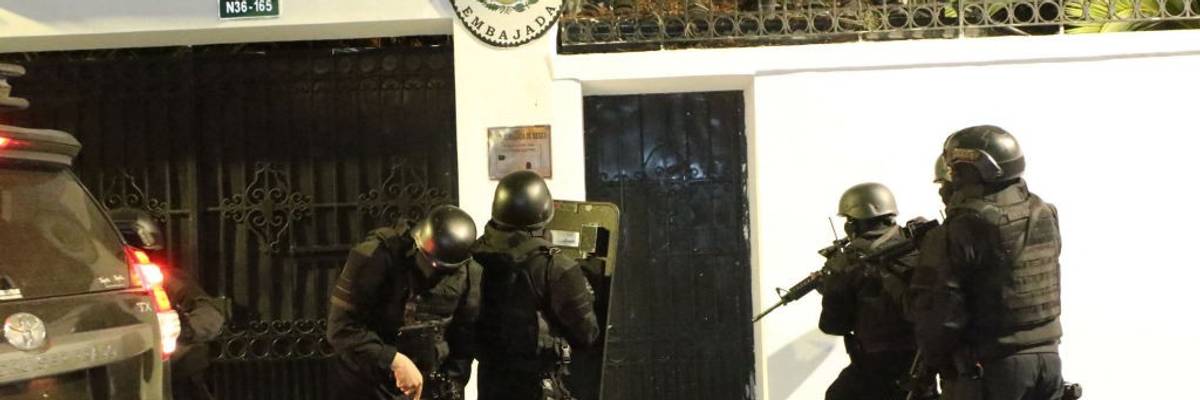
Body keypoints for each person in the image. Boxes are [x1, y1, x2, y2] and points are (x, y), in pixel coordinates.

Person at [907, 125, 1065, 400]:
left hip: (990, 370)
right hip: (1049, 364)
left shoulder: (958, 230)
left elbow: (940, 319)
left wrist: (935, 364)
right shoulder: (1044, 213)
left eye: (955, 169)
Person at [326, 205, 482, 400]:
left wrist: (450, 385)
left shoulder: (469, 274)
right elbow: (340, 329)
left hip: (428, 385)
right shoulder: (377, 254)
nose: (430, 273)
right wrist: (393, 360)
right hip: (368, 383)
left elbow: (463, 342)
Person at [473, 170, 600, 400]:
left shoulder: (476, 254)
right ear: (543, 210)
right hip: (539, 386)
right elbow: (588, 332)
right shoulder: (555, 266)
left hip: (492, 384)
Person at [816, 183, 924, 400]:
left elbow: (833, 325)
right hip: (921, 363)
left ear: (854, 223)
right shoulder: (916, 245)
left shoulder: (848, 261)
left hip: (874, 368)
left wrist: (831, 289)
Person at [109, 208, 226, 400]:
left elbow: (211, 315)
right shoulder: (101, 286)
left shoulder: (162, 279)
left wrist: (184, 328)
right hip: (124, 379)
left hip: (175, 377)